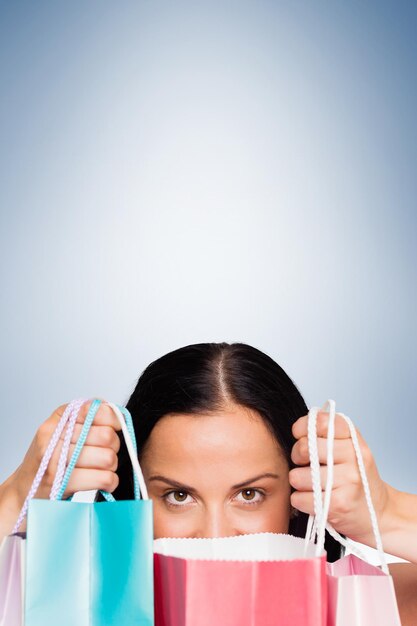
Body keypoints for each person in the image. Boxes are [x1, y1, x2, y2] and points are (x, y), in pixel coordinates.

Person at [1, 342, 417, 623]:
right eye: (179, 496)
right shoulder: (71, 606)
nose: (215, 538)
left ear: (299, 497)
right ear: (136, 496)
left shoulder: (361, 605)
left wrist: (388, 513)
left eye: (249, 494)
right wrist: (16, 497)